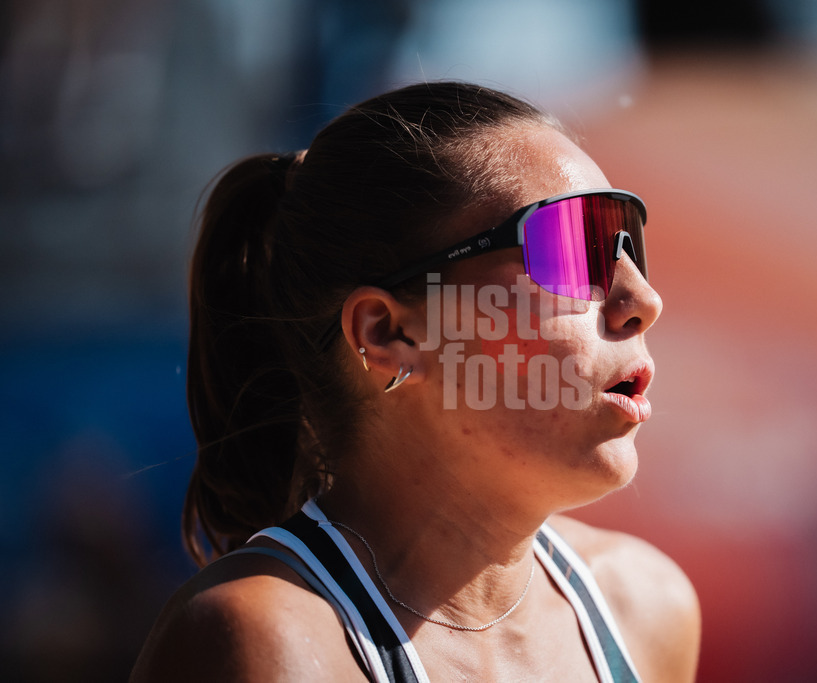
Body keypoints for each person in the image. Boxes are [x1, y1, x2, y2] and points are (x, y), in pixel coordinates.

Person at [130, 81, 700, 682]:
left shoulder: (646, 608)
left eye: (627, 243)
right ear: (386, 333)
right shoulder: (264, 642)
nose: (642, 299)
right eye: (570, 247)